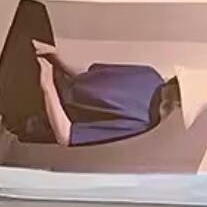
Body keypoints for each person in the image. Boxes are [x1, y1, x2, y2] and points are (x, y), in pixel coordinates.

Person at [31, 39, 182, 146]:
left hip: (40, 115)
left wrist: (47, 85)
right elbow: (87, 76)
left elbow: (65, 135)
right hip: (51, 81)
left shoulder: (144, 122)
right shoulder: (149, 74)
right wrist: (54, 56)